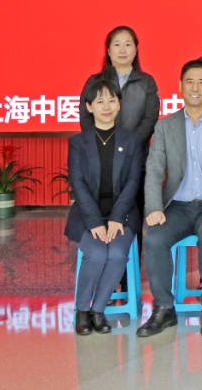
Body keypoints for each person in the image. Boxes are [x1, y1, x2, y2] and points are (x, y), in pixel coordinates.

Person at [136, 60, 202, 338]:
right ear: (181, 86)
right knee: (154, 239)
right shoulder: (165, 126)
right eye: (189, 82)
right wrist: (154, 207)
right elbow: (154, 169)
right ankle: (164, 308)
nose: (195, 88)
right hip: (177, 207)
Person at [66, 78, 143, 336]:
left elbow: (133, 181)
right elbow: (77, 183)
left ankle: (97, 310)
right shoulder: (78, 143)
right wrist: (95, 221)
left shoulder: (132, 141)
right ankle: (82, 310)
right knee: (98, 254)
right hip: (88, 215)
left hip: (123, 214)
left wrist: (117, 217)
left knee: (118, 254)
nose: (107, 106)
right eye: (100, 101)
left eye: (112, 100)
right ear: (89, 107)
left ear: (119, 104)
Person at [79, 26, 160, 147]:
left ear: (135, 50)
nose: (122, 50)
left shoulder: (146, 82)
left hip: (136, 151)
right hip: (101, 150)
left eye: (127, 45)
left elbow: (150, 118)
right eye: (117, 45)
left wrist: (130, 143)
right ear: (108, 51)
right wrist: (103, 142)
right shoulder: (94, 81)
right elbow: (86, 117)